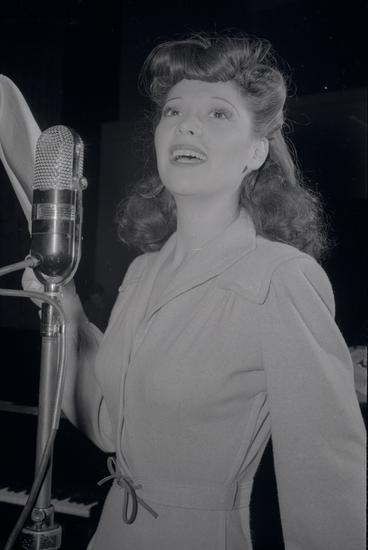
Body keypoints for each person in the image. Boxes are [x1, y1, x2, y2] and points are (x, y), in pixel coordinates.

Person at [23, 31, 366, 549]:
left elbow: (327, 474)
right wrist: (65, 308)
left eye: (218, 113)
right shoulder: (142, 272)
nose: (185, 123)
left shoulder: (280, 277)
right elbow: (111, 426)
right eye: (173, 110)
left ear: (256, 152)